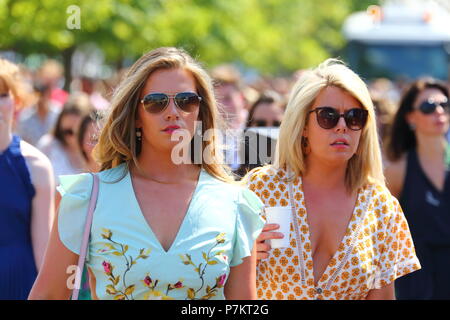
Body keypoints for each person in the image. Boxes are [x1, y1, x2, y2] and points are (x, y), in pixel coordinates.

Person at [29, 47, 265, 300]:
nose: (173, 111)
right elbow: (48, 295)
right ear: (136, 115)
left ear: (199, 110)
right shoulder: (87, 197)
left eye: (186, 100)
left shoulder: (234, 202)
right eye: (156, 102)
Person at [245, 59, 421, 300]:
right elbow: (225, 282)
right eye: (327, 116)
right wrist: (242, 254)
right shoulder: (261, 188)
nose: (342, 127)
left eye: (354, 117)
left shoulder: (382, 207)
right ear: (303, 125)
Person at [384, 78, 450, 299]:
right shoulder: (397, 170)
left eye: (445, 105)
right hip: (416, 286)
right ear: (410, 117)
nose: (439, 111)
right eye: (428, 106)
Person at [0, 58, 55, 299]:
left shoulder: (36, 166)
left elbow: (45, 252)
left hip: (19, 286)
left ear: (17, 101)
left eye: (2, 94)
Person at [37, 94, 90, 182]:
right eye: (68, 131)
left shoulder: (94, 150)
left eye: (79, 132)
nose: (73, 138)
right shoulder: (48, 145)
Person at [15, 81, 60, 146]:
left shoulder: (58, 113)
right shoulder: (25, 117)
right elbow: (21, 141)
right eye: (38, 96)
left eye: (43, 95)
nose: (40, 100)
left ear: (48, 94)